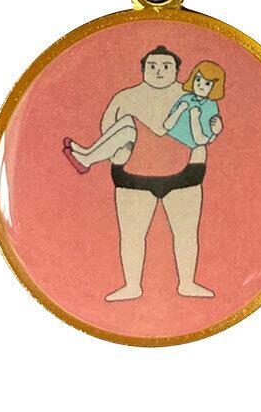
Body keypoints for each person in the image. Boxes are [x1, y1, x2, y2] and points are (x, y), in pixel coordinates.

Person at [62, 45, 221, 300]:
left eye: (166, 66)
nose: (159, 71)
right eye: (152, 66)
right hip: (133, 174)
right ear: (143, 69)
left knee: (185, 233)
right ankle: (131, 285)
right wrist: (118, 154)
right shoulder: (125, 97)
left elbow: (203, 134)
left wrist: (206, 140)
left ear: (178, 71)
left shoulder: (189, 96)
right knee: (132, 235)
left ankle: (187, 283)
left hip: (183, 174)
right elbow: (107, 129)